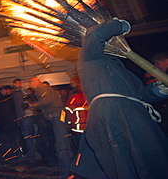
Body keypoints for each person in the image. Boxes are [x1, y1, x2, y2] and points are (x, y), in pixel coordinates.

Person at [70, 19, 168, 179]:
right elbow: (96, 35)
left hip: (135, 115)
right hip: (114, 114)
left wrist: (159, 90)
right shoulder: (89, 57)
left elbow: (139, 95)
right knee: (126, 163)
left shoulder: (120, 67)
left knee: (154, 159)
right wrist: (120, 25)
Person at [29, 76, 73, 179]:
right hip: (60, 115)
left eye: (31, 82)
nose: (30, 85)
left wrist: (34, 105)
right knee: (64, 142)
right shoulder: (47, 88)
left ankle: (66, 173)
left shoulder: (41, 88)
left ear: (36, 81)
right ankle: (68, 170)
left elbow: (46, 102)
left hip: (56, 115)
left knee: (61, 145)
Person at [12, 79, 37, 164]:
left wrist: (20, 117)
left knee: (27, 137)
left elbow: (20, 107)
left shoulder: (19, 93)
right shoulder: (22, 92)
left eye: (20, 83)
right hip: (27, 116)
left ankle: (31, 157)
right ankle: (31, 155)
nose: (20, 84)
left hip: (25, 116)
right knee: (28, 136)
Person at [0, 85, 20, 162]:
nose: (3, 92)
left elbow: (11, 112)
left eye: (4, 90)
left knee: (12, 140)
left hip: (9, 123)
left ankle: (14, 156)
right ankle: (7, 156)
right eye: (2, 90)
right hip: (2, 124)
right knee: (4, 141)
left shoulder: (9, 99)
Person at [64, 76, 89, 149]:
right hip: (91, 127)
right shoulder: (89, 95)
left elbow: (68, 113)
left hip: (79, 128)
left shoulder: (73, 97)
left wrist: (68, 125)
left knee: (81, 149)